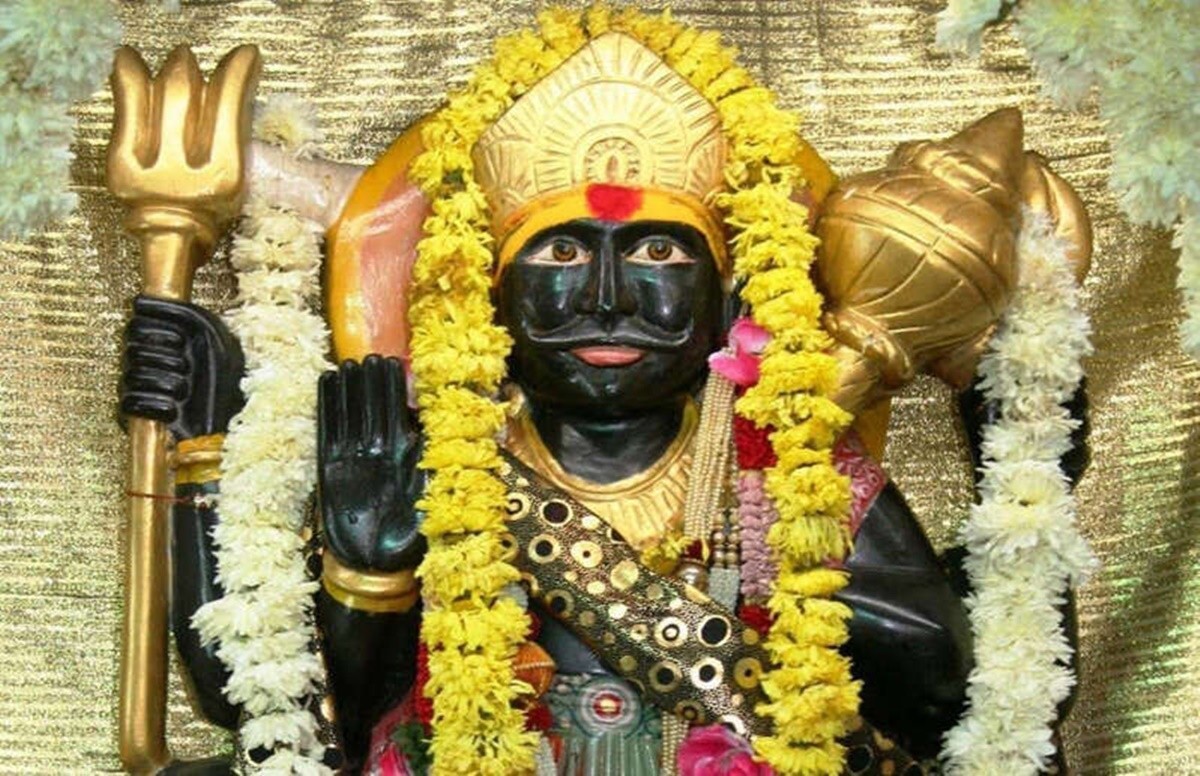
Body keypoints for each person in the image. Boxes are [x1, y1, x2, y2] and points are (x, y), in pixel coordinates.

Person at [118, 10, 1089, 776]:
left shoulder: (784, 469)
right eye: (562, 254)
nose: (609, 298)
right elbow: (267, 718)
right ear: (484, 295)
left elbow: (959, 703)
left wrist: (1020, 428)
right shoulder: (430, 452)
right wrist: (353, 568)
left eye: (660, 252)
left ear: (729, 300)